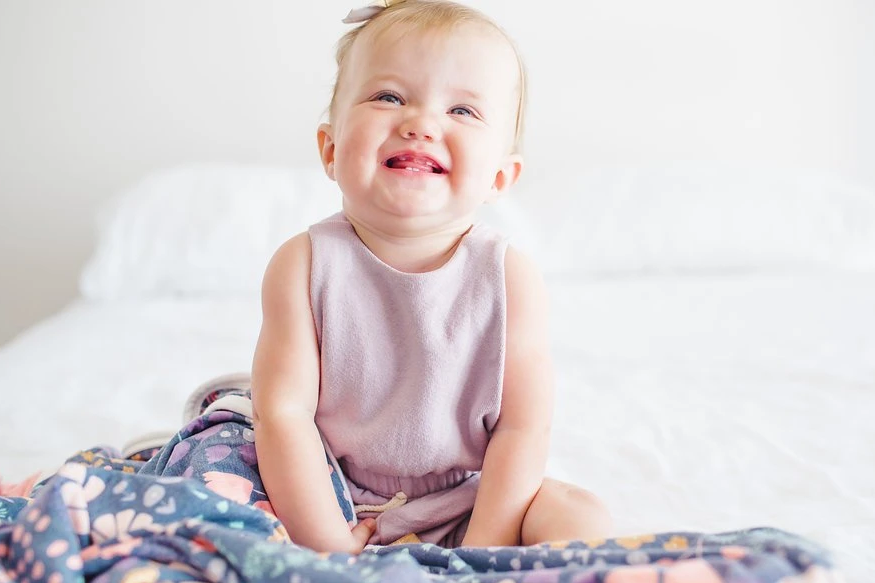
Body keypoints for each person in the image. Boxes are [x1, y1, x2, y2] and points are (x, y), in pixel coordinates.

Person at [252, 0, 613, 554]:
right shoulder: (303, 264)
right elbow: (283, 413)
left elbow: (521, 430)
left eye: (462, 110)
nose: (420, 124)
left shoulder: (508, 278)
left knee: (580, 516)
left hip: (466, 501)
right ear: (331, 149)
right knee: (218, 494)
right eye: (388, 97)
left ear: (500, 177)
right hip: (322, 490)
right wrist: (327, 545)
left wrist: (482, 551)